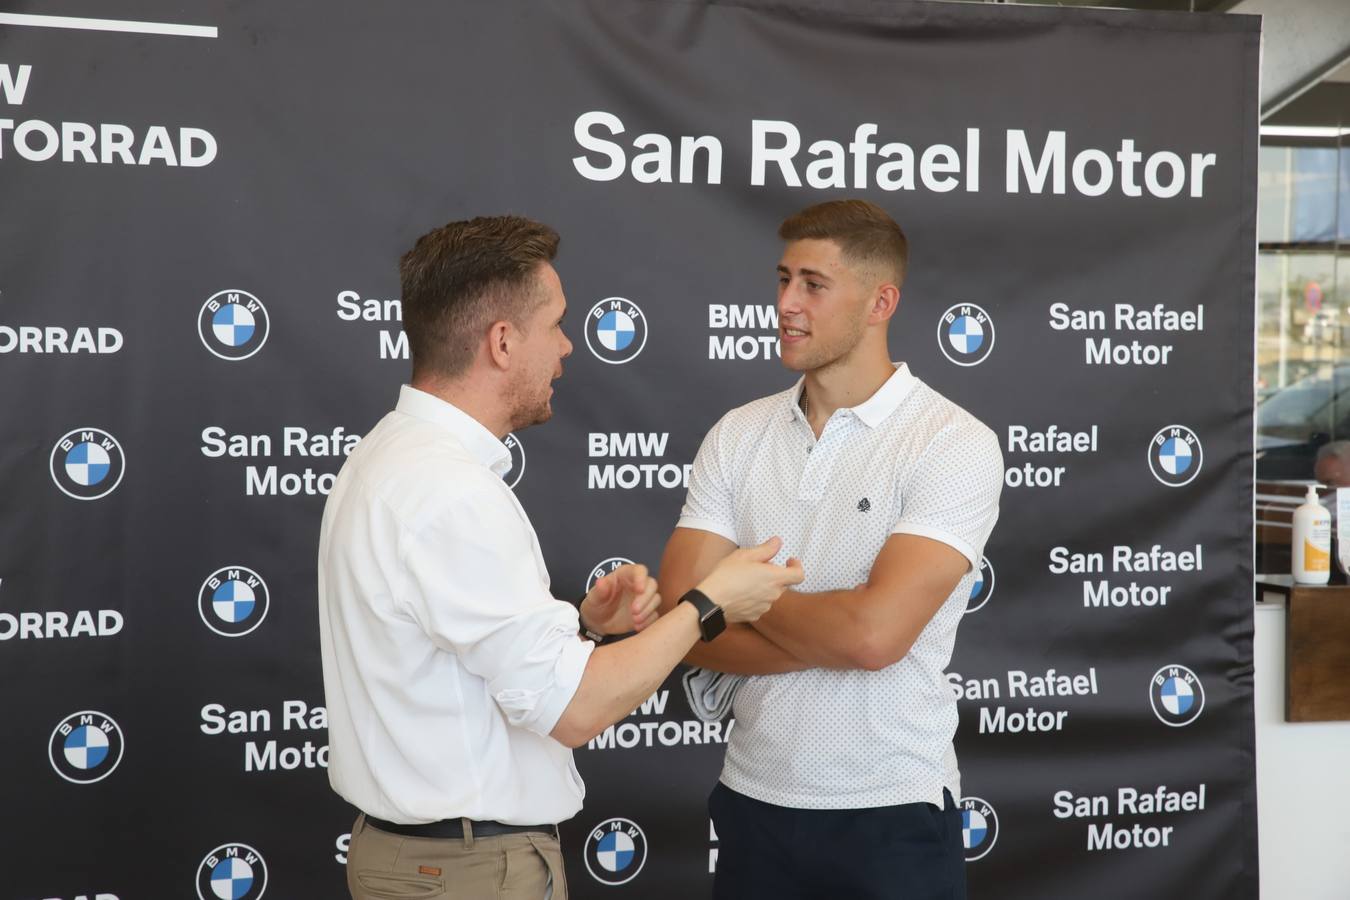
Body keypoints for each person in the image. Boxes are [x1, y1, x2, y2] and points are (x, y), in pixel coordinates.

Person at [317, 215, 804, 900]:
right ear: (503, 341)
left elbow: (456, 658)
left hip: (428, 862)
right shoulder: (453, 491)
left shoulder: (389, 455)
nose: (568, 346)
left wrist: (587, 630)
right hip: (465, 875)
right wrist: (708, 606)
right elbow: (574, 710)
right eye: (556, 324)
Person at [658, 199, 1004, 900]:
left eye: (813, 285)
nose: (786, 303)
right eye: (783, 279)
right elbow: (678, 618)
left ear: (881, 301)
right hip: (751, 801)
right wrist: (826, 628)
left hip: (892, 811)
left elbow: (875, 637)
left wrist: (732, 598)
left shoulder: (952, 441)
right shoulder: (738, 433)